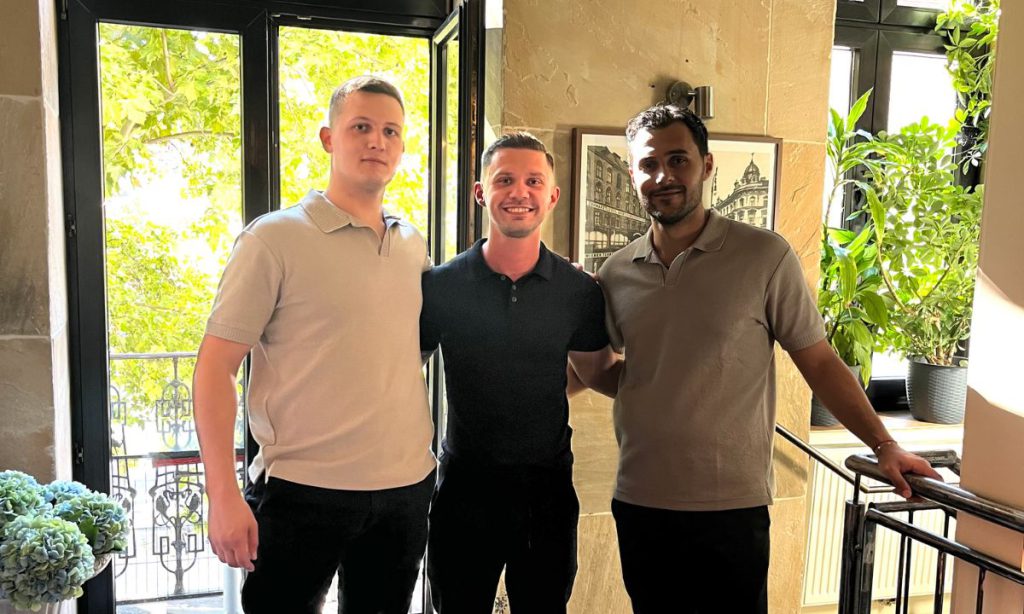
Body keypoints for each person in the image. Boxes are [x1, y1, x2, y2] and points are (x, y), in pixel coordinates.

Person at [570, 104, 942, 614]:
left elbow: (819, 362)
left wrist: (884, 444)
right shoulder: (615, 271)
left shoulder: (764, 256)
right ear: (634, 174)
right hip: (641, 500)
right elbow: (616, 374)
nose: (663, 176)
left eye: (678, 160)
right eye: (648, 164)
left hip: (732, 505)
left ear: (706, 165)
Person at [192, 76, 435, 614]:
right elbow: (214, 369)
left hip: (405, 490)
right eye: (361, 127)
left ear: (401, 146)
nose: (377, 141)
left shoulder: (411, 244)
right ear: (329, 138)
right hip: (301, 493)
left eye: (390, 131)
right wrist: (222, 495)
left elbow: (402, 350)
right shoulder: (273, 238)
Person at [420, 132, 611, 613]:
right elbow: (396, 374)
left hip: (547, 492)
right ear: (481, 192)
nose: (519, 192)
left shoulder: (579, 291)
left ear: (552, 195)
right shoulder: (440, 287)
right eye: (504, 180)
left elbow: (596, 373)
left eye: (533, 181)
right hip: (464, 488)